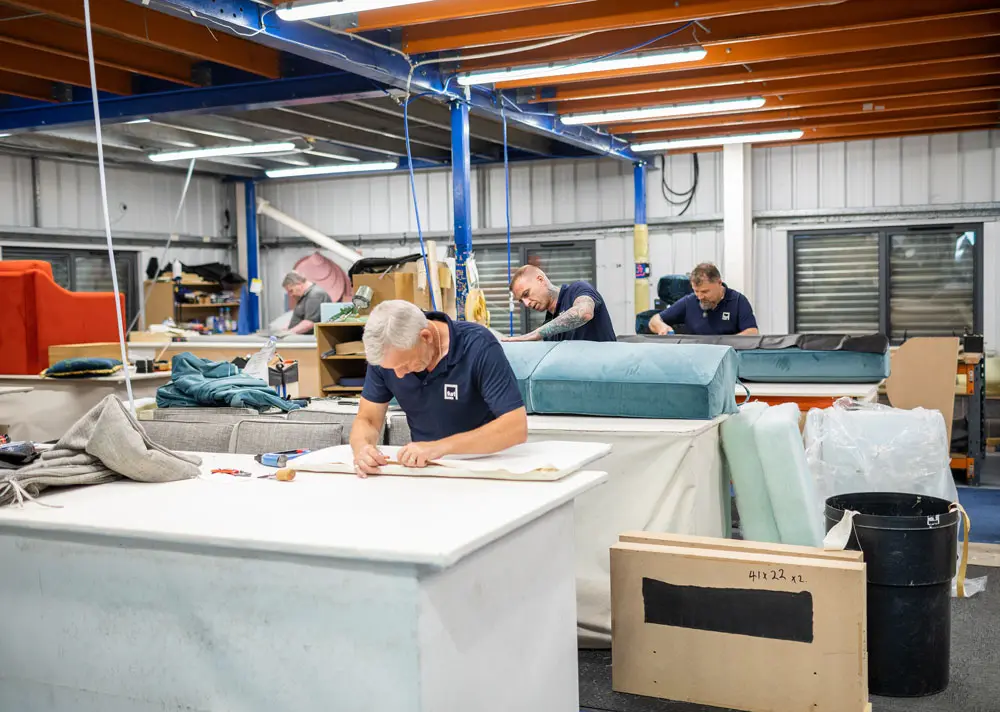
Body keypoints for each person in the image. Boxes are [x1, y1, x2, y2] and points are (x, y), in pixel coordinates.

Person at [350, 300, 528, 477]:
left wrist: (438, 448)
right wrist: (362, 448)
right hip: (427, 470)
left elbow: (515, 427)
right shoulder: (387, 356)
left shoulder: (478, 345)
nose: (399, 375)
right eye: (391, 368)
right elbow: (368, 419)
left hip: (485, 466)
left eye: (405, 364)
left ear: (426, 337)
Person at [503, 265, 616, 342]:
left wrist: (535, 334)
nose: (526, 304)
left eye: (526, 294)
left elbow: (584, 313)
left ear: (540, 280)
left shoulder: (577, 290)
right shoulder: (548, 326)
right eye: (521, 301)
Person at [649, 263, 758, 336]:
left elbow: (752, 332)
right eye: (696, 291)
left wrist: (724, 344)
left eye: (705, 292)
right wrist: (661, 327)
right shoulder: (689, 302)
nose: (700, 297)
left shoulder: (738, 301)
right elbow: (654, 320)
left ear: (719, 283)